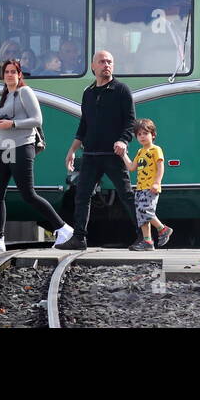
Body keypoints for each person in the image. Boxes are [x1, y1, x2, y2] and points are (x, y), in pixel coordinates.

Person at [57, 50, 143, 251]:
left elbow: (130, 122)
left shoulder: (122, 90)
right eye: (102, 62)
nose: (107, 65)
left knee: (126, 195)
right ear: (93, 66)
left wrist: (123, 141)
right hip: (91, 155)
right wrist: (72, 151)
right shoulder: (88, 93)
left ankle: (144, 236)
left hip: (113, 154)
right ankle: (79, 238)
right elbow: (84, 125)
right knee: (82, 195)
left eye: (110, 62)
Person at [0, 59, 72, 251]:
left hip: (22, 145)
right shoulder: (4, 96)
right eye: (6, 72)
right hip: (4, 146)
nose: (9, 75)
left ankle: (63, 227)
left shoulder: (24, 92)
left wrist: (13, 124)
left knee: (28, 194)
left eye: (13, 72)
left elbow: (37, 119)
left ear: (19, 75)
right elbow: (5, 122)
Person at [122, 118, 172, 249]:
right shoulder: (140, 152)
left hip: (151, 188)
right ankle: (147, 241)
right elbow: (132, 167)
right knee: (141, 215)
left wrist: (157, 182)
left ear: (153, 135)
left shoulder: (156, 150)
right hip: (140, 188)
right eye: (139, 134)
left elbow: (161, 167)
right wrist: (123, 155)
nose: (142, 137)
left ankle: (163, 229)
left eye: (145, 133)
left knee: (145, 210)